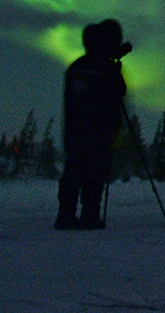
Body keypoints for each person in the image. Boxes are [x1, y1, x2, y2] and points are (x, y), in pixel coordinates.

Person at [55, 19, 131, 230]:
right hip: (99, 131)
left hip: (75, 130)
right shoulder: (105, 68)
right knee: (95, 173)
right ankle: (90, 215)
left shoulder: (76, 67)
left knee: (73, 171)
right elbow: (119, 91)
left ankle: (66, 215)